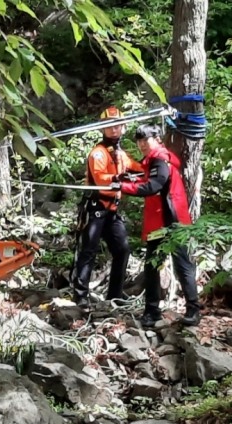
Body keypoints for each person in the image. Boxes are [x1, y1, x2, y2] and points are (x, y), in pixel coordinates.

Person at [118, 124, 201, 327]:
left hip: (172, 223)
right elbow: (147, 179)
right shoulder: (153, 160)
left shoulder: (160, 159)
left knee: (182, 267)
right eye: (139, 141)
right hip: (161, 222)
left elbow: (153, 186)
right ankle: (152, 311)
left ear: (157, 139)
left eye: (146, 140)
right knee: (152, 267)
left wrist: (122, 187)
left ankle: (192, 310)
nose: (142, 144)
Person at [70, 106, 144, 308]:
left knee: (122, 249)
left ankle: (115, 293)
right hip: (95, 210)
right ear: (103, 129)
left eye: (118, 126)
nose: (114, 130)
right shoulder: (98, 153)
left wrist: (152, 166)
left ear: (123, 127)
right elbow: (100, 178)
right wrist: (117, 178)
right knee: (88, 251)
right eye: (110, 126)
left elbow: (136, 168)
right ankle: (80, 295)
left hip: (112, 212)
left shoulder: (120, 154)